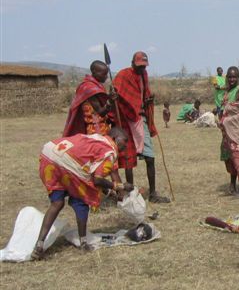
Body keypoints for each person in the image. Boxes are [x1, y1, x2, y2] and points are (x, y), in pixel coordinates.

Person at [32, 127, 132, 259]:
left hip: (50, 153)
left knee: (57, 203)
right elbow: (97, 180)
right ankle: (83, 242)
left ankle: (39, 245)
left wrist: (118, 191)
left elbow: (112, 172)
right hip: (68, 163)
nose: (126, 145)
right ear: (114, 138)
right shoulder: (110, 150)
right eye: (124, 140)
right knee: (82, 199)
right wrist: (118, 186)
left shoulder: (99, 140)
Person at [112, 51, 170, 203]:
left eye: (143, 66)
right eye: (139, 66)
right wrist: (114, 97)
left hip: (140, 118)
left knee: (150, 157)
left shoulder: (144, 75)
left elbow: (144, 96)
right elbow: (114, 95)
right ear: (132, 63)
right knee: (128, 160)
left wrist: (148, 100)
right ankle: (131, 194)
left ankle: (152, 194)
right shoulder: (122, 75)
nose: (141, 69)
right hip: (125, 120)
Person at [62, 61, 114, 136]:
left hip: (102, 126)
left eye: (106, 74)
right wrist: (110, 101)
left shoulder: (96, 86)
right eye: (103, 74)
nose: (106, 77)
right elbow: (101, 112)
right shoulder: (89, 88)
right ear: (94, 72)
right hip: (95, 130)